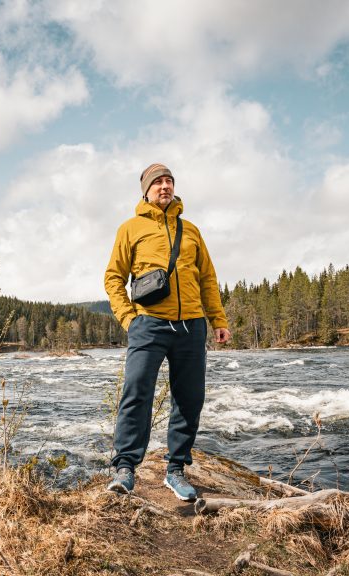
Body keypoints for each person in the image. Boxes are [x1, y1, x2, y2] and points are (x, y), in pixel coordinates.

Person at [104, 163, 231, 501]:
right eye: (158, 182)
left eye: (169, 181)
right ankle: (125, 468)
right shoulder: (130, 229)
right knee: (136, 394)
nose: (164, 187)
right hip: (149, 324)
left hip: (191, 325)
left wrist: (217, 320)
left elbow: (207, 278)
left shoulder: (190, 231)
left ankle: (175, 470)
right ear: (145, 191)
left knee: (189, 399)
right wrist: (129, 319)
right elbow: (113, 278)